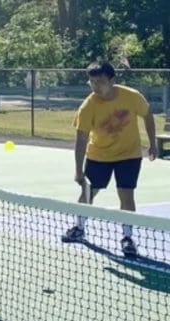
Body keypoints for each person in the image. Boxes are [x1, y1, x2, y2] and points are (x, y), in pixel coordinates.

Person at [62, 61, 157, 258]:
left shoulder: (131, 96)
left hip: (129, 155)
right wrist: (78, 170)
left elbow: (148, 115)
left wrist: (153, 144)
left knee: (127, 194)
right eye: (92, 82)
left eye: (101, 81)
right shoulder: (88, 106)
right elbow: (81, 139)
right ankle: (79, 228)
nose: (96, 86)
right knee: (88, 192)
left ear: (112, 80)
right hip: (99, 156)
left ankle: (128, 238)